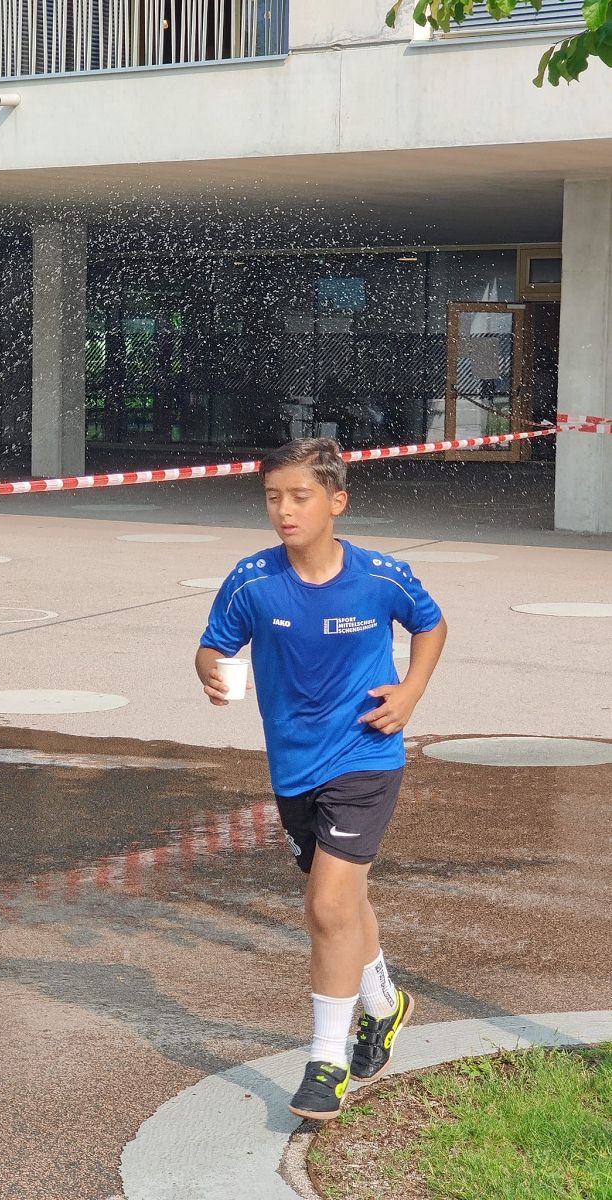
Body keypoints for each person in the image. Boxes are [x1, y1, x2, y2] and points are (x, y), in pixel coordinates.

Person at [195, 438, 446, 1121]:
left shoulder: (381, 576)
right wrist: (212, 673)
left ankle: (326, 1062)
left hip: (366, 755)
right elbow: (214, 645)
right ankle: (385, 1005)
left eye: (300, 496)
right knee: (343, 903)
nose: (285, 510)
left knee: (327, 908)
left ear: (337, 502)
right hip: (293, 766)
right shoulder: (252, 580)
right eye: (273, 497)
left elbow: (430, 625)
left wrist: (411, 691)